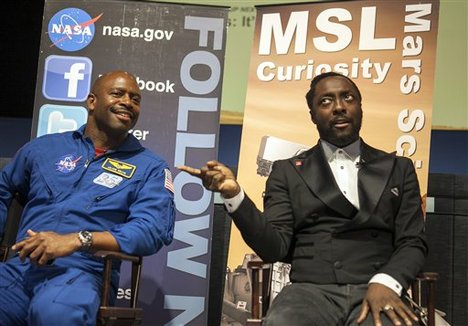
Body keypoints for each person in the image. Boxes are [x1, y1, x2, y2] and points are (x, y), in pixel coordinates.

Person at [179, 72, 427, 326]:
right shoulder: (287, 171)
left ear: (360, 106)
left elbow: (413, 241)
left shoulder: (398, 167)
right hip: (309, 292)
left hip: (376, 284)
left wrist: (387, 281)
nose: (339, 107)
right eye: (326, 101)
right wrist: (234, 196)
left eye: (347, 98)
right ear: (312, 115)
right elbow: (274, 247)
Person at [0, 71, 175, 325]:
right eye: (117, 93)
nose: (127, 101)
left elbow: (152, 229)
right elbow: (4, 187)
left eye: (135, 99)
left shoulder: (150, 167)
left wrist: (78, 240)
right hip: (20, 268)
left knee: (55, 314)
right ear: (92, 102)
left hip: (80, 273)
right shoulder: (44, 148)